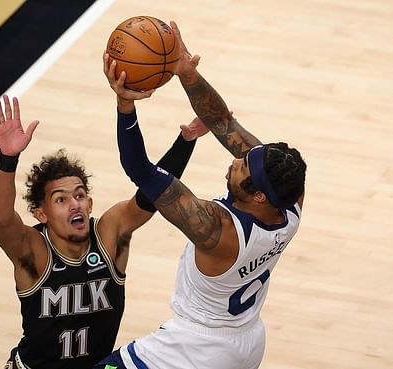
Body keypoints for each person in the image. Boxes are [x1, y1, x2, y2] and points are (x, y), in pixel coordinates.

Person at [96, 20, 307, 369]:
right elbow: (222, 121)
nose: (236, 159)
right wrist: (185, 72)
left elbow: (139, 169)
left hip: (196, 348)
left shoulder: (216, 230)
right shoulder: (290, 200)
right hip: (248, 338)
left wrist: (125, 104)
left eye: (243, 167)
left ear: (257, 196)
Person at [0, 95, 207, 369]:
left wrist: (186, 141)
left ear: (90, 203)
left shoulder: (108, 234)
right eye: (61, 200)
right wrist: (8, 159)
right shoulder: (34, 250)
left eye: (79, 195)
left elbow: (152, 196)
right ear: (41, 214)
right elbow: (2, 219)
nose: (74, 204)